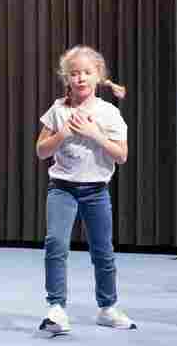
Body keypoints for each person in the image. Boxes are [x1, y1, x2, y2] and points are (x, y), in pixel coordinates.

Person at [36, 45, 135, 335]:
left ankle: (107, 307)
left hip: (96, 190)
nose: (80, 78)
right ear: (66, 78)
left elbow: (121, 155)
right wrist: (63, 133)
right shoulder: (58, 110)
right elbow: (41, 151)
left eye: (87, 72)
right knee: (56, 243)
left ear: (98, 76)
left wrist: (95, 134)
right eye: (74, 73)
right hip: (62, 188)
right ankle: (56, 307)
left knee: (102, 250)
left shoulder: (109, 113)